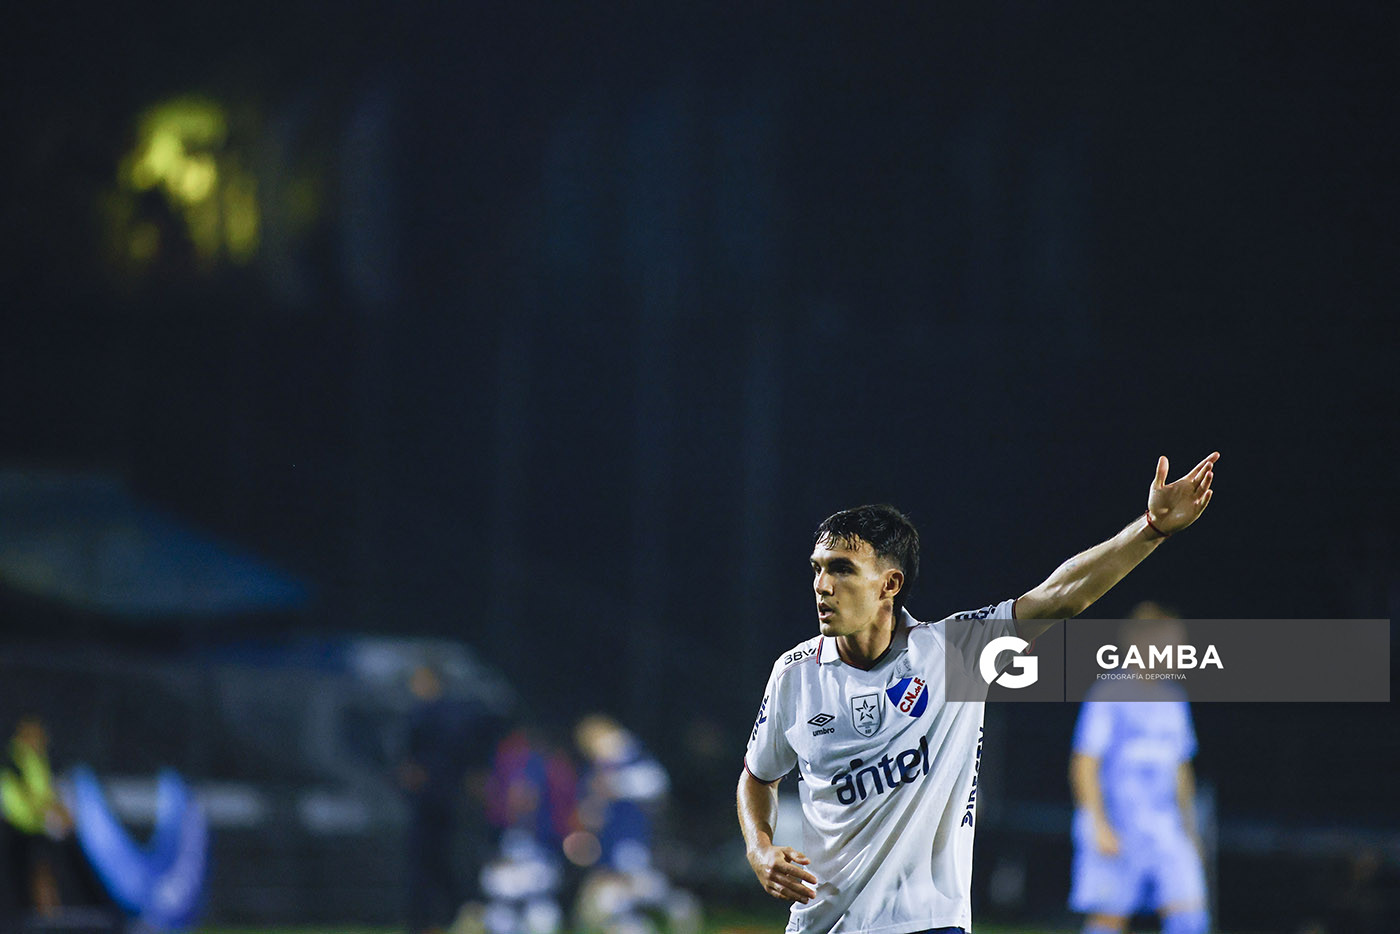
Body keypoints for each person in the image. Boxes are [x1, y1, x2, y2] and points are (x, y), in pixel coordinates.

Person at [737, 452, 1219, 934]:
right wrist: (760, 848)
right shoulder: (793, 675)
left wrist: (1151, 527)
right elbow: (757, 777)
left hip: (928, 924)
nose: (821, 585)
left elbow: (1062, 594)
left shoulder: (953, 653)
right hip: (822, 926)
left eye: (840, 569)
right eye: (817, 568)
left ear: (890, 584)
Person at [1068, 603, 1209, 934]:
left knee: (1189, 915)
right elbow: (1084, 763)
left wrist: (1190, 832)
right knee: (1109, 919)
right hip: (1118, 823)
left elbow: (1181, 769)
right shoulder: (1109, 693)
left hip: (1164, 828)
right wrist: (1098, 824)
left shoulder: (1174, 699)